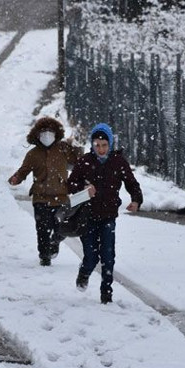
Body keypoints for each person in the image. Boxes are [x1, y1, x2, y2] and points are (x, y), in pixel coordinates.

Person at [67, 123, 142, 304]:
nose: (100, 149)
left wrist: (136, 200)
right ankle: (84, 272)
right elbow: (69, 184)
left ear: (110, 144)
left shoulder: (118, 162)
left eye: (104, 145)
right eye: (97, 145)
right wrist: (84, 188)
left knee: (108, 256)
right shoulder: (85, 161)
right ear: (92, 145)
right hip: (88, 216)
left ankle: (106, 294)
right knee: (91, 257)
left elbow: (132, 183)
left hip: (109, 216)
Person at [9, 117, 83, 266]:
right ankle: (44, 256)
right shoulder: (33, 154)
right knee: (42, 228)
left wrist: (76, 146)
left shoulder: (63, 149)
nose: (47, 135)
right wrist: (17, 178)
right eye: (43, 132)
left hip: (61, 197)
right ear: (37, 134)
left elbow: (78, 160)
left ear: (56, 133)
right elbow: (24, 170)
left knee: (59, 227)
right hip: (40, 198)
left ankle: (54, 243)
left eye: (50, 132)